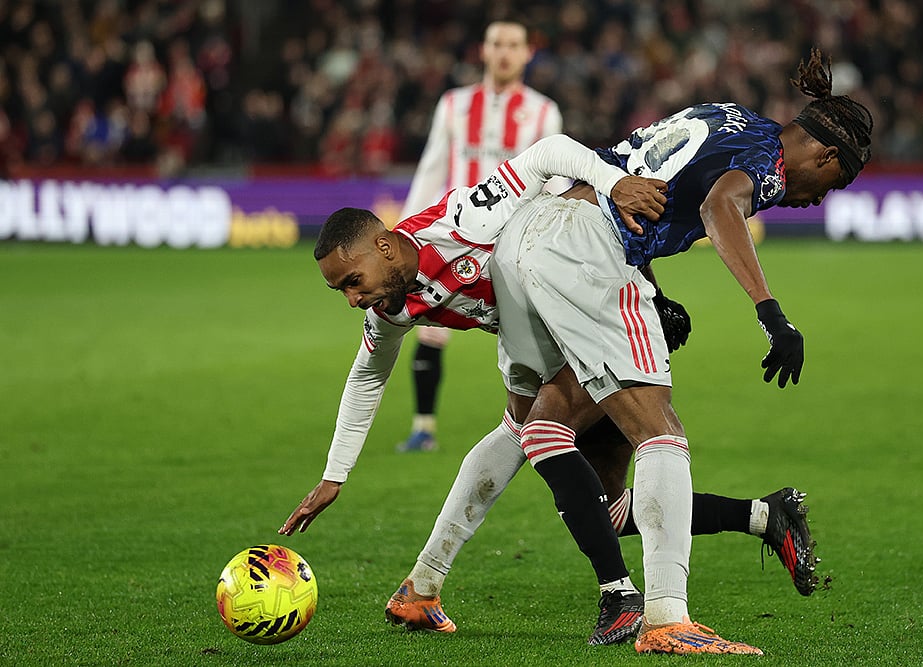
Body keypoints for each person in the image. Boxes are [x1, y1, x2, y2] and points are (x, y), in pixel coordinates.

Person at [278, 133, 816, 645]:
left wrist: (612, 181)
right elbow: (367, 376)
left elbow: (548, 152)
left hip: (597, 294)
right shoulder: (391, 306)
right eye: (341, 290)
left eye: (352, 281)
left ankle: (630, 600)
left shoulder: (463, 220)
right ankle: (765, 517)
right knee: (601, 502)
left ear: (383, 245)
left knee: (540, 434)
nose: (353, 299)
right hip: (545, 336)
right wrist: (334, 476)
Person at [485, 48, 873, 655]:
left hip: (570, 234)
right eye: (834, 182)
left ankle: (443, 585)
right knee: (630, 436)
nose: (818, 199)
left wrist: (654, 291)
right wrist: (772, 314)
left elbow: (642, 172)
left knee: (568, 451)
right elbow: (720, 206)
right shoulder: (764, 161)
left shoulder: (731, 116)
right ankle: (664, 612)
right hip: (586, 259)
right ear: (825, 156)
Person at [396, 20, 563, 453]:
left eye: (513, 45)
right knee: (428, 325)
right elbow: (432, 167)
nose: (504, 52)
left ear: (527, 53)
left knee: (531, 333)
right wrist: (403, 232)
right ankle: (423, 426)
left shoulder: (544, 112)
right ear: (483, 51)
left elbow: (554, 180)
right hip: (455, 235)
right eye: (496, 44)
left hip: (515, 238)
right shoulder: (454, 105)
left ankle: (542, 426)